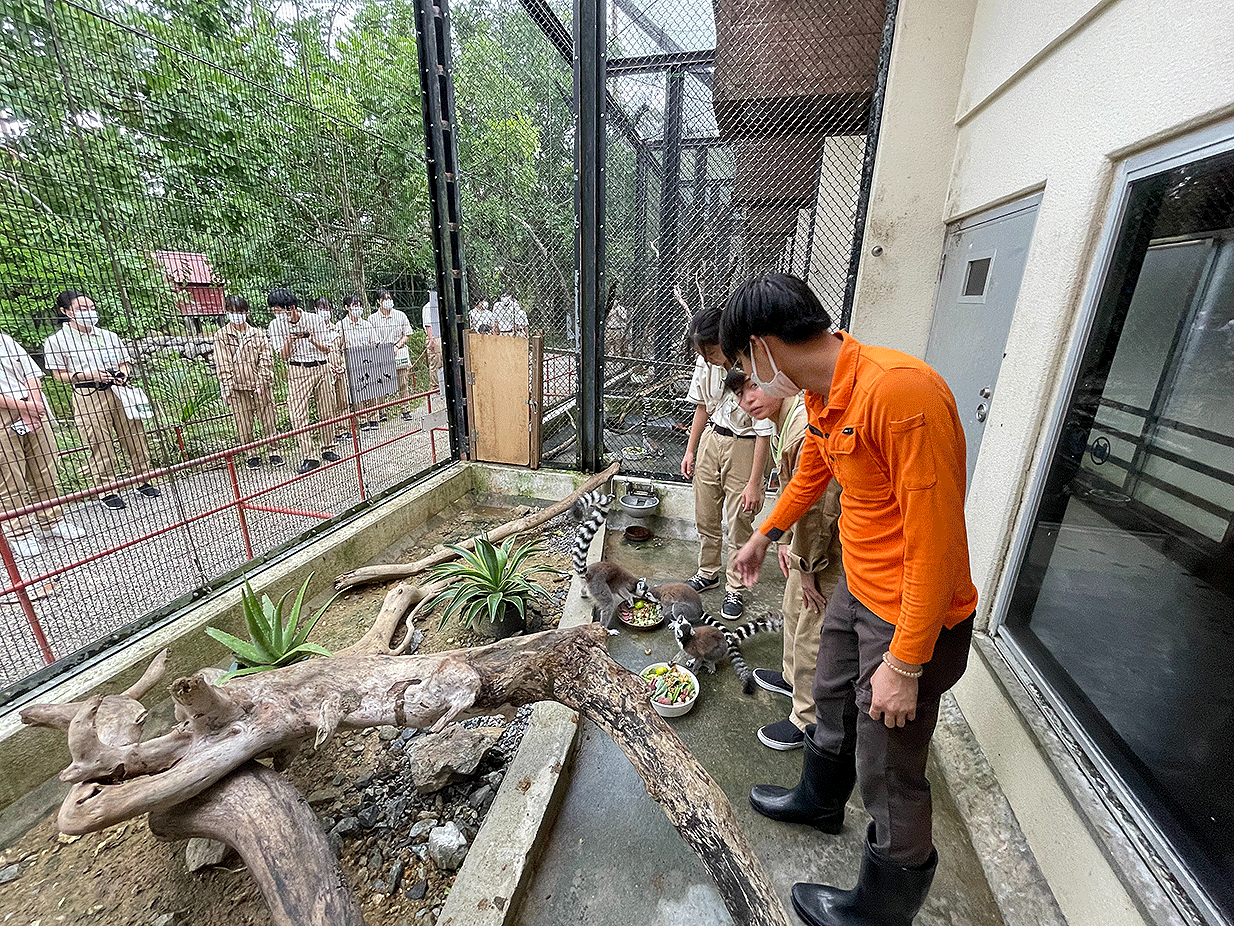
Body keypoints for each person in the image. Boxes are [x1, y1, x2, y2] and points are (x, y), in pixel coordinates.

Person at [724, 274, 977, 926]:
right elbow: (812, 473)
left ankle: (879, 913)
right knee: (830, 697)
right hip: (858, 591)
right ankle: (819, 801)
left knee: (890, 770)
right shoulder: (823, 395)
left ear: (762, 346)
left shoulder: (900, 393)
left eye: (743, 361)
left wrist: (906, 662)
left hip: (911, 618)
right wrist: (763, 536)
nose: (747, 380)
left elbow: (936, 541)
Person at [736, 371, 843, 751]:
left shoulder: (800, 426)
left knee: (812, 629)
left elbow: (819, 508)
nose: (748, 399)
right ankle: (790, 678)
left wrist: (807, 567)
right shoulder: (785, 419)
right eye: (739, 393)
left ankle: (806, 719)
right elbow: (792, 492)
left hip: (826, 551)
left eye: (753, 385)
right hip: (805, 543)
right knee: (792, 612)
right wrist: (781, 538)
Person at [680, 307, 774, 620]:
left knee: (739, 520)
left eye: (711, 351)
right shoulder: (706, 362)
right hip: (712, 439)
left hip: (746, 445)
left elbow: (765, 430)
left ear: (725, 339)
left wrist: (755, 482)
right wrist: (691, 450)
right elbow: (703, 407)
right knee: (705, 514)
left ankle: (735, 586)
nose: (707, 359)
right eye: (702, 354)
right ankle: (708, 572)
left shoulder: (754, 365)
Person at [43, 291, 160, 510]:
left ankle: (142, 479)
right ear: (65, 311)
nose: (89, 313)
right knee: (99, 440)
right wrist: (88, 375)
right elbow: (59, 374)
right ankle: (106, 489)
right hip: (88, 393)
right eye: (82, 309)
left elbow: (124, 361)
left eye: (91, 308)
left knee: (134, 434)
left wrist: (123, 374)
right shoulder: (56, 341)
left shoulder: (108, 336)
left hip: (118, 390)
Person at [0, 332, 86, 557]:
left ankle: (52, 520)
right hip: (5, 412)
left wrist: (34, 403)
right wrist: (24, 407)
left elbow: (31, 372)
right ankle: (19, 533)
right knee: (10, 475)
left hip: (33, 406)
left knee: (45, 468)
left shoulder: (5, 339)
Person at [266, 288, 340, 475]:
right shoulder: (275, 326)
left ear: (290, 307)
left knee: (327, 409)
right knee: (297, 413)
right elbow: (283, 356)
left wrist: (311, 338)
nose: (277, 314)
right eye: (274, 311)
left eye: (279, 310)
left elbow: (327, 349)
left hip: (321, 366)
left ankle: (328, 447)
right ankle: (310, 456)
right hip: (298, 369)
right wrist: (291, 339)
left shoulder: (314, 319)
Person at [213, 295, 282, 468]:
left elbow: (266, 359)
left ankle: (274, 450)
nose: (237, 315)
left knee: (269, 418)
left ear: (247, 312)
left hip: (260, 384)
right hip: (237, 387)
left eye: (240, 312)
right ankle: (251, 453)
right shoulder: (221, 336)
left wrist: (262, 382)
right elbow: (222, 362)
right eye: (233, 312)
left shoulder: (257, 334)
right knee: (243, 422)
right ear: (227, 312)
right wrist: (228, 386)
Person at [368, 289, 414, 421]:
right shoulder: (372, 319)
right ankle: (382, 411)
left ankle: (405, 409)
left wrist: (397, 346)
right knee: (381, 383)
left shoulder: (400, 315)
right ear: (378, 301)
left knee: (403, 382)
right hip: (381, 353)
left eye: (389, 299)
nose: (388, 301)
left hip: (399, 351)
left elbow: (407, 334)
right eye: (385, 299)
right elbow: (372, 339)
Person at [338, 294, 379, 431]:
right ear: (347, 307)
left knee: (371, 390)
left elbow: (375, 343)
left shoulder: (367, 325)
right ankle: (362, 420)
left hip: (367, 360)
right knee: (357, 392)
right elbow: (338, 347)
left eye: (360, 306)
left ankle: (373, 417)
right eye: (355, 306)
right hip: (351, 361)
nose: (358, 308)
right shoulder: (341, 326)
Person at [313, 297, 348, 443]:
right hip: (325, 371)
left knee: (343, 400)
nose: (325, 312)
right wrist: (329, 367)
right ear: (316, 310)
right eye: (322, 309)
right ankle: (332, 434)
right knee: (329, 403)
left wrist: (343, 365)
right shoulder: (314, 330)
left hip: (340, 369)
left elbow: (344, 349)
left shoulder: (337, 329)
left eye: (327, 309)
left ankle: (344, 429)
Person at [421, 291, 446, 397]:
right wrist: (431, 340)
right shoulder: (428, 307)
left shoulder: (441, 305)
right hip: (434, 337)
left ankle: (443, 386)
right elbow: (428, 325)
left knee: (443, 362)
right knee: (436, 363)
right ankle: (435, 388)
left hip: (443, 336)